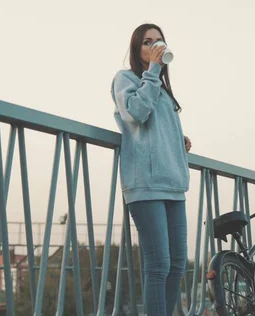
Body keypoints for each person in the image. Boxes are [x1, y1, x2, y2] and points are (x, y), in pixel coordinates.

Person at [110, 23, 191, 316]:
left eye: (159, 41)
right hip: (145, 184)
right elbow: (136, 113)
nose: (154, 46)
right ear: (136, 48)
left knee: (177, 264)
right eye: (147, 42)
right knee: (158, 265)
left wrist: (177, 140)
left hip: (172, 184)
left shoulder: (163, 91)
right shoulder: (125, 79)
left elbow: (155, 127)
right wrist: (154, 70)